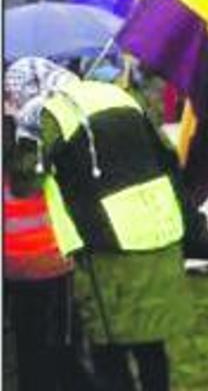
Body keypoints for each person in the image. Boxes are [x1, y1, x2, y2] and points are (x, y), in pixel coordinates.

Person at [6, 57, 193, 391]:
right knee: (150, 341)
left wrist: (26, 128)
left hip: (105, 242)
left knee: (108, 344)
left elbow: (26, 182)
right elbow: (167, 153)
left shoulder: (49, 114)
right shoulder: (118, 96)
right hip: (156, 229)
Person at [3, 114, 82, 391]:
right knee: (62, 348)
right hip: (49, 260)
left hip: (16, 262)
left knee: (28, 349)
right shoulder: (39, 137)